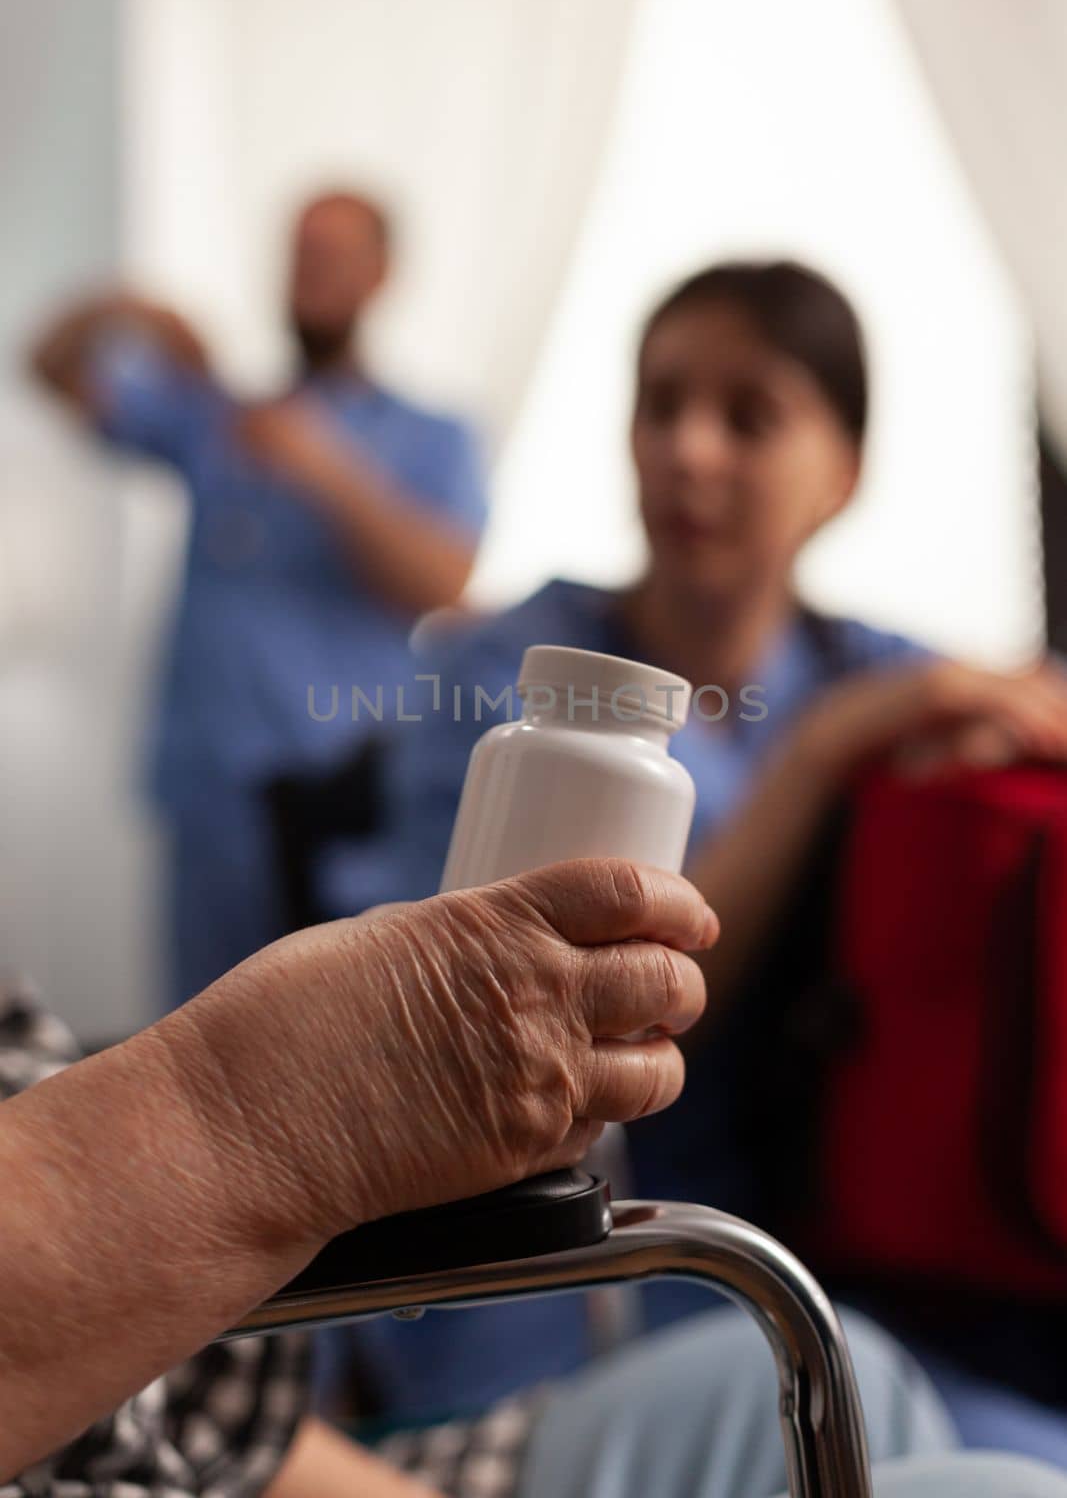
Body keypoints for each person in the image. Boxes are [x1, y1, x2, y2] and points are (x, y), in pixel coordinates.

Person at [319, 260, 1067, 1420]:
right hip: (549, 1259)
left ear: (842, 474)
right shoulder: (515, 677)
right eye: (659, 404)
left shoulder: (864, 668)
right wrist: (818, 759)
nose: (687, 450)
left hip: (811, 1236)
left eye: (747, 416)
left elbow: (1025, 708)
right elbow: (518, 1023)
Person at [1, 864, 1064, 1498]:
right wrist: (245, 1118)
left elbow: (153, 1402)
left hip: (188, 1442)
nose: (689, 468)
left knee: (846, 1372)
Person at [26, 191, 487, 1003]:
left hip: (342, 803)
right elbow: (49, 369)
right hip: (209, 802)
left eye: (334, 256)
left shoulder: (431, 435)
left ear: (379, 276)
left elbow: (444, 583)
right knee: (190, 1049)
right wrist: (129, 307)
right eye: (300, 254)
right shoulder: (221, 417)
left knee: (334, 1052)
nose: (311, 276)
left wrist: (324, 468)